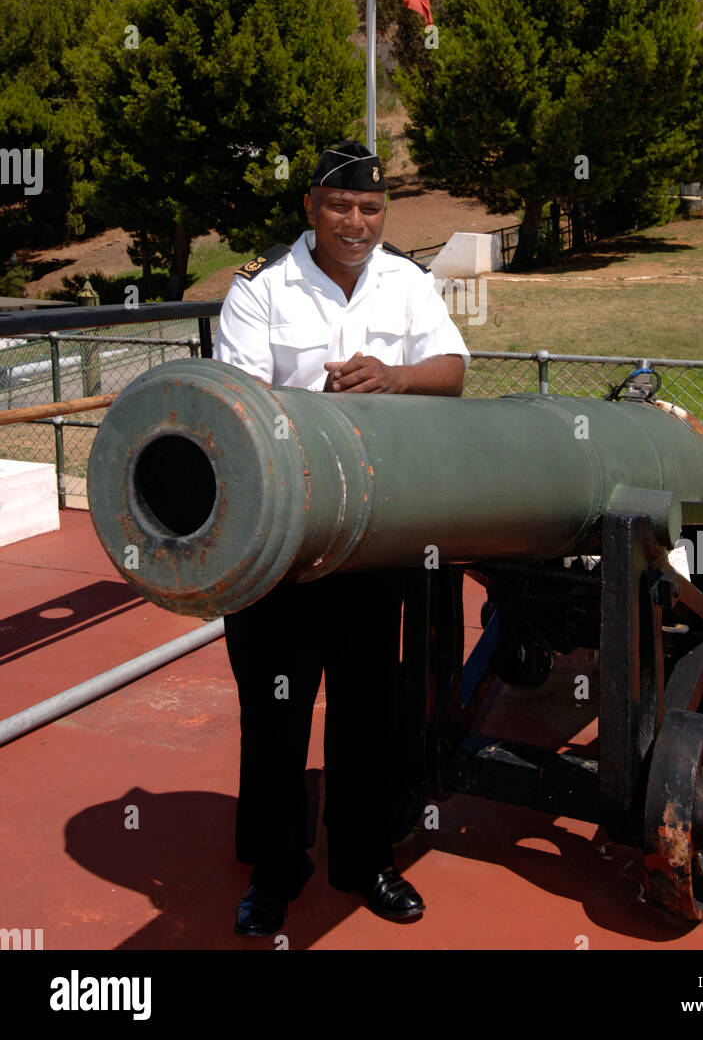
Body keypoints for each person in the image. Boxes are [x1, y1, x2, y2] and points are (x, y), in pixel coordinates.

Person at [212, 140, 470, 936]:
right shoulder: (259, 289)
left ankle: (366, 858)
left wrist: (394, 378)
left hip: (371, 533)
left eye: (371, 208)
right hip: (282, 542)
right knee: (276, 710)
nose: (356, 222)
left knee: (370, 707)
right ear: (311, 211)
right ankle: (275, 868)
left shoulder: (407, 280)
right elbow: (243, 403)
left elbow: (453, 367)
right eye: (340, 206)